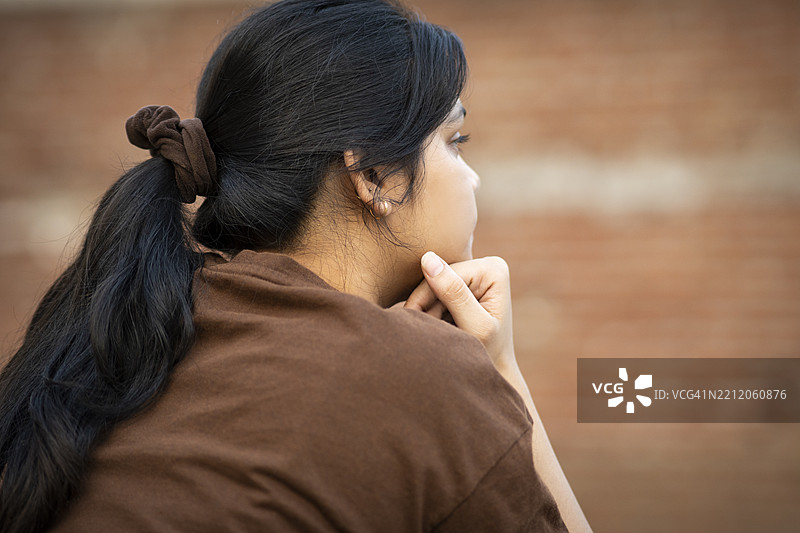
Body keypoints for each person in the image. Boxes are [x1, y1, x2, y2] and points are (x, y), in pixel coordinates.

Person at [0, 0, 591, 531]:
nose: (473, 177)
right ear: (375, 175)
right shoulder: (417, 373)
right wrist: (500, 368)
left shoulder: (150, 322)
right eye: (455, 141)